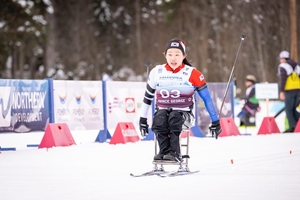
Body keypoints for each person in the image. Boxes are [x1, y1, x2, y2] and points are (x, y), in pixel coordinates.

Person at [139, 39, 222, 162]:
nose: (173, 58)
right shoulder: (156, 72)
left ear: (184, 56)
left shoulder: (192, 73)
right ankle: (164, 151)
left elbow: (206, 98)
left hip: (184, 115)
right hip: (162, 114)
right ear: (165, 55)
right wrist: (143, 119)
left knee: (174, 116)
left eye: (177, 54)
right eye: (170, 54)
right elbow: (147, 98)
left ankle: (175, 152)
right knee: (160, 116)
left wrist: (215, 122)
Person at [277, 50, 300, 132]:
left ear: (283, 58)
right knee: (294, 109)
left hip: (289, 90)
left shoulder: (283, 66)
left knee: (288, 109)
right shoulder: (297, 66)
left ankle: (292, 127)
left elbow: (283, 79)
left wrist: (281, 91)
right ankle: (296, 126)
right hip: (298, 90)